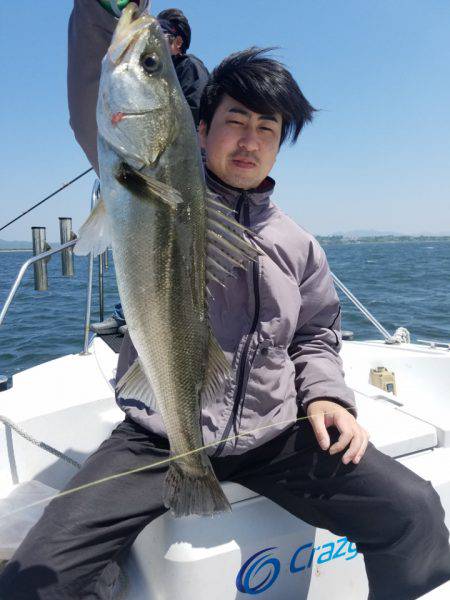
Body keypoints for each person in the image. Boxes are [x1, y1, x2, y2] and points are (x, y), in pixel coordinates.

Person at [1, 1, 449, 598]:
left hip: (274, 434)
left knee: (416, 512)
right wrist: (100, 11)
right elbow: (99, 97)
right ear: (199, 128)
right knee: (38, 578)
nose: (251, 140)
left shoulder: (298, 244)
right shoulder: (156, 188)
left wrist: (324, 395)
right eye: (236, 120)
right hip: (158, 433)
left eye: (268, 129)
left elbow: (316, 334)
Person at [90, 3, 209, 336]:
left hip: (176, 175)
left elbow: (184, 125)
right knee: (150, 259)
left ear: (178, 42)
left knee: (169, 263)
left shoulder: (190, 71)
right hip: (146, 161)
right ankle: (130, 314)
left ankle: (138, 320)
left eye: (150, 61)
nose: (152, 31)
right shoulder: (174, 72)